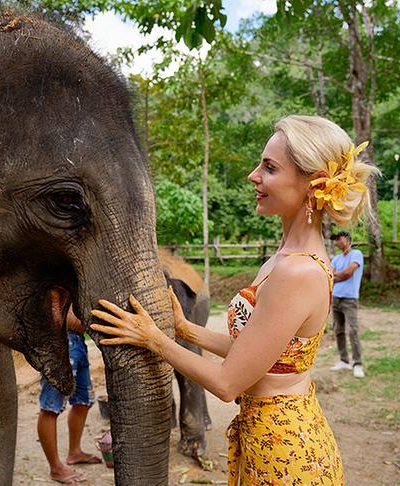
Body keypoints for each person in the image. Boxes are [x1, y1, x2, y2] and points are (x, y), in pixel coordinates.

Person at [89, 114, 378, 485]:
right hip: (271, 437)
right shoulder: (285, 258)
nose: (253, 176)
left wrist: (154, 340)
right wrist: (185, 330)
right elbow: (257, 353)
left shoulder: (297, 271)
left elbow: (227, 383)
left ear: (313, 184)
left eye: (269, 168)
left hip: (286, 453)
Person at [37, 308, 102, 484]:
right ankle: (55, 468)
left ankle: (75, 452)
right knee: (51, 407)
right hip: (59, 341)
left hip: (79, 342)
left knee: (83, 401)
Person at [328, 230, 366, 378]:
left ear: (348, 239)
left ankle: (358, 364)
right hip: (336, 298)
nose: (337, 242)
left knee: (353, 331)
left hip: (350, 299)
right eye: (335, 240)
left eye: (339, 239)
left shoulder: (356, 254)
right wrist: (339, 275)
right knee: (338, 330)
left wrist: (337, 275)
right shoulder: (336, 258)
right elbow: (330, 276)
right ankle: (344, 360)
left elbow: (348, 273)